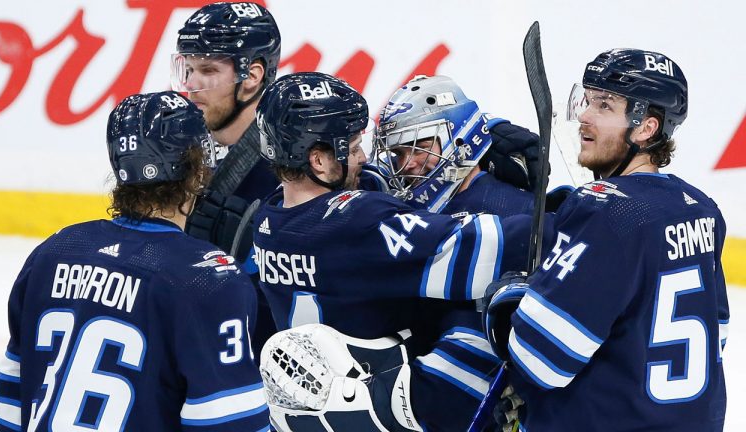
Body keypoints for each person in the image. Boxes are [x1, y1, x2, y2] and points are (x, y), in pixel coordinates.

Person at [252, 71, 533, 431]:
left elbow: (369, 188)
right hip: (388, 413)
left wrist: (480, 132)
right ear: (318, 161)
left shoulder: (271, 218)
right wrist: (571, 209)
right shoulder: (361, 222)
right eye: (352, 148)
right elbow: (504, 247)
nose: (363, 157)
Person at [0, 91, 269, 432]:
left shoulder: (53, 252)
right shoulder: (208, 279)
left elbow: (10, 404)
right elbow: (231, 425)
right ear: (198, 169)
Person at [483, 49, 729, 431]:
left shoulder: (606, 212)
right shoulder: (701, 208)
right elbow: (718, 337)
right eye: (587, 99)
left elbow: (540, 360)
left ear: (645, 128)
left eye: (605, 105)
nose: (584, 114)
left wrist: (514, 300)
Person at [173, 1, 282, 248]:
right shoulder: (192, 155)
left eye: (208, 70)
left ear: (252, 76)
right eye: (189, 69)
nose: (190, 84)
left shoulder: (286, 174)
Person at [374, 74, 538, 217]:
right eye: (399, 153)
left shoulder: (518, 211)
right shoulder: (396, 208)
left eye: (420, 149)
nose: (406, 165)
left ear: (460, 140)